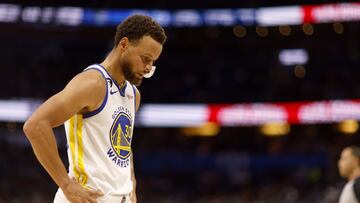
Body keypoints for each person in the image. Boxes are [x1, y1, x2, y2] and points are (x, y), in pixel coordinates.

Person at [23, 14, 166, 203]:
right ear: (124, 44)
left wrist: (130, 182)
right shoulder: (92, 83)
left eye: (153, 62)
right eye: (145, 58)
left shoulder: (133, 95)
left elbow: (123, 146)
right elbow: (35, 125)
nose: (148, 68)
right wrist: (66, 185)